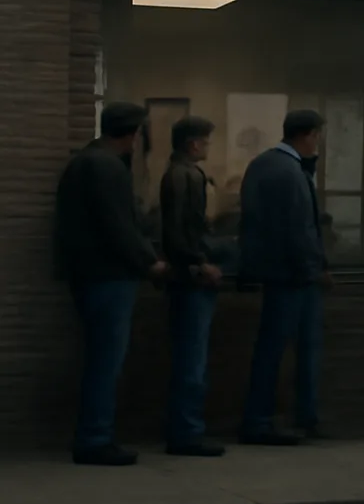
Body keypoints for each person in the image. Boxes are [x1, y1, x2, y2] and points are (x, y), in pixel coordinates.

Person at [54, 102, 169, 466]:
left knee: (100, 358)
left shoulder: (84, 162)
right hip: (109, 276)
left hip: (88, 274)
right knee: (106, 360)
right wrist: (149, 262)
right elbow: (119, 226)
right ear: (133, 134)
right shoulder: (107, 167)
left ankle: (94, 434)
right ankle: (95, 438)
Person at [238, 110, 329, 446]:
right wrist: (314, 269)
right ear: (309, 135)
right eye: (317, 136)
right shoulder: (289, 171)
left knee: (273, 347)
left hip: (275, 271)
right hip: (293, 275)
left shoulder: (263, 164)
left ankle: (270, 417)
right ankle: (271, 420)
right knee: (287, 348)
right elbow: (299, 229)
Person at [160, 115, 231, 457]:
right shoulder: (187, 175)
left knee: (188, 357)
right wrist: (200, 262)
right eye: (206, 142)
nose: (208, 148)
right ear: (193, 144)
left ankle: (185, 430)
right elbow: (184, 230)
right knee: (192, 359)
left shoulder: (175, 173)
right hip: (191, 279)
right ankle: (187, 432)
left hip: (184, 276)